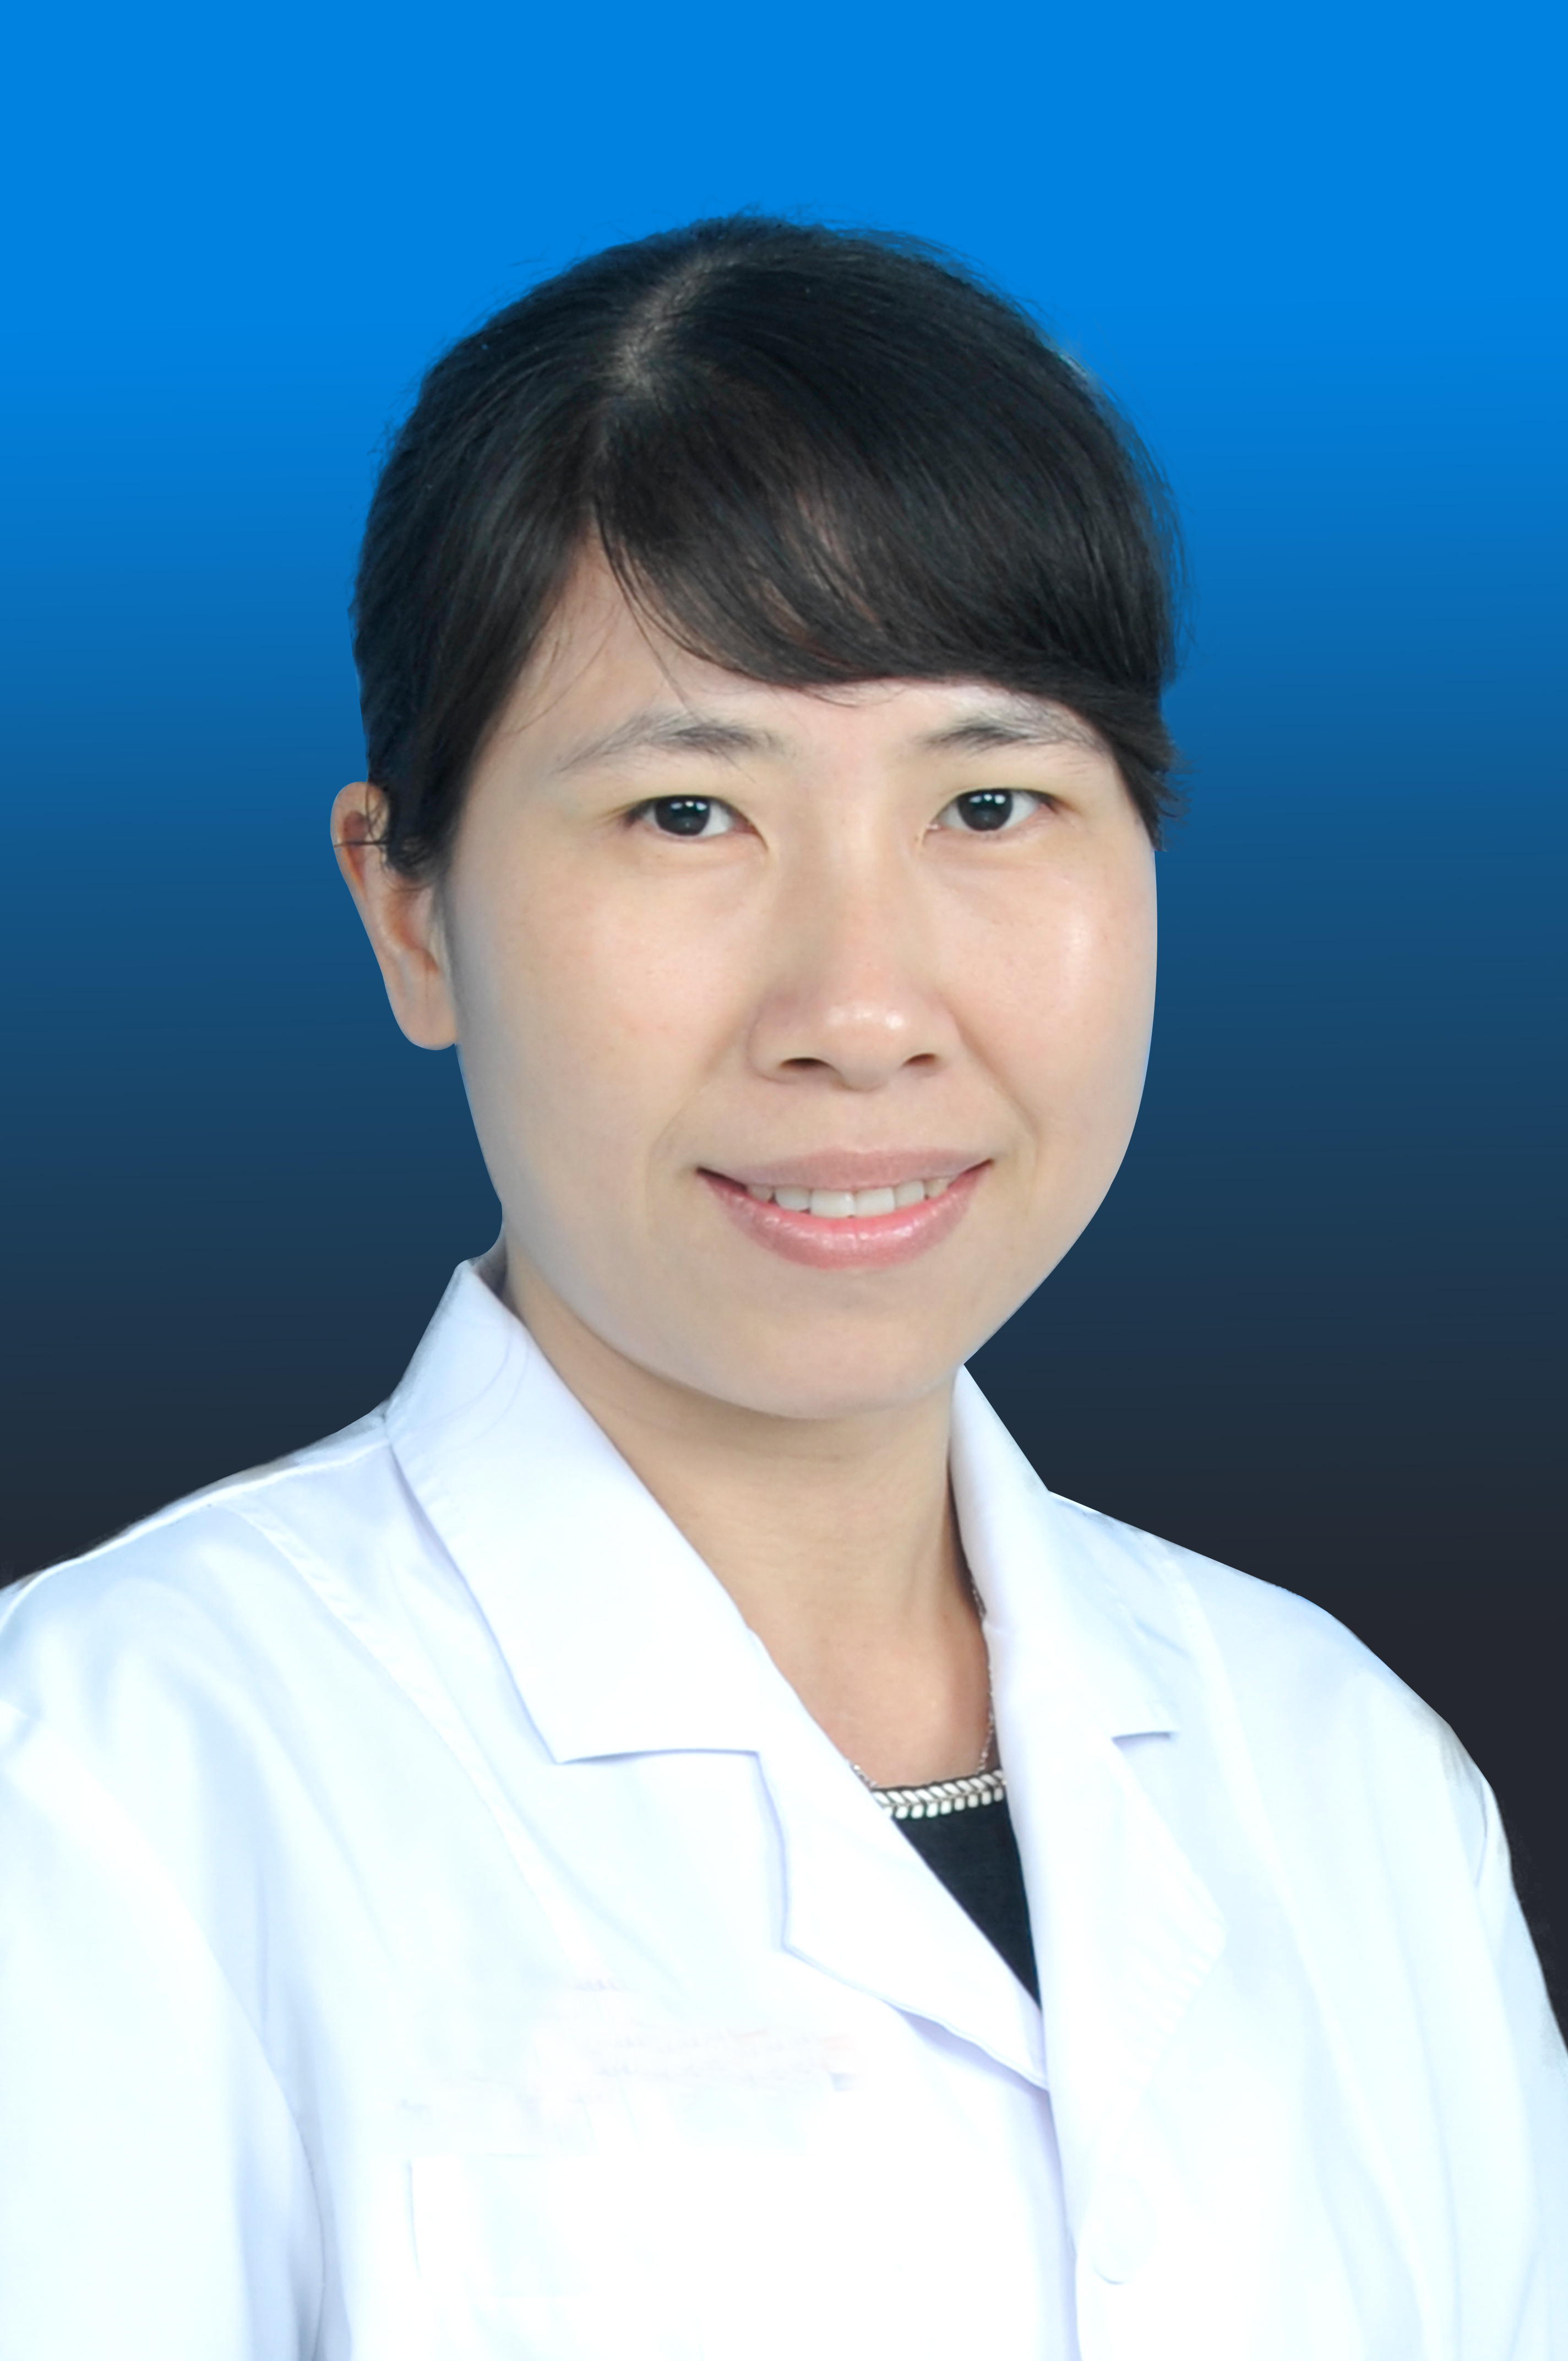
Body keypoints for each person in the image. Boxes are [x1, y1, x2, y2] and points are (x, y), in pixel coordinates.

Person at [0, 215, 1562, 2361]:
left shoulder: (1348, 1778)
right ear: (409, 910)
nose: (861, 1009)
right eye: (685, 814)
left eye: (991, 801)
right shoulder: (99, 1796)